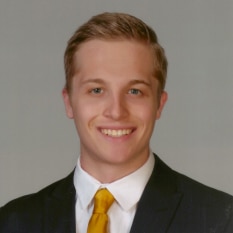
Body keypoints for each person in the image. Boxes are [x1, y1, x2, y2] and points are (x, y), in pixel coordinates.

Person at [0, 12, 232, 233]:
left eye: (134, 91)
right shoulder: (13, 222)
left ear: (159, 104)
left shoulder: (220, 218)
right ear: (69, 102)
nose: (116, 111)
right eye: (97, 90)